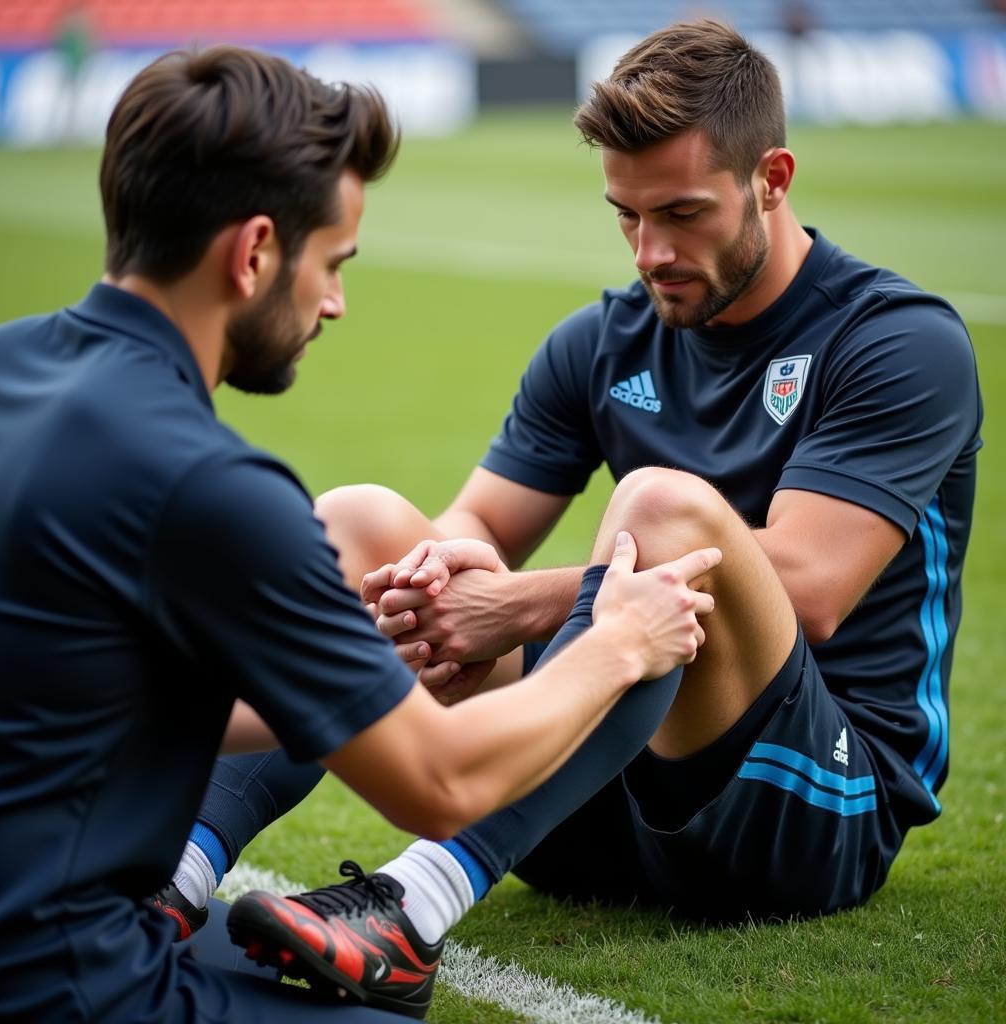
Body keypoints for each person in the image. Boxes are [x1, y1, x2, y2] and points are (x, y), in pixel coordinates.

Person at [176, 17, 980, 1019]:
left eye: (682, 213)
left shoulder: (897, 341)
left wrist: (517, 608)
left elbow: (809, 590)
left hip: (809, 814)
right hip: (595, 804)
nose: (653, 251)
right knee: (363, 526)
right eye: (626, 216)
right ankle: (172, 871)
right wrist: (438, 574)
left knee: (663, 508)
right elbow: (470, 523)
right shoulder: (603, 340)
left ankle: (411, 904)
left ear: (771, 177)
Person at [0, 45, 721, 1024]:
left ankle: (185, 876)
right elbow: (440, 781)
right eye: (331, 264)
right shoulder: (214, 485)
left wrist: (345, 671)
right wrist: (620, 643)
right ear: (252, 255)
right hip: (59, 987)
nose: (334, 302)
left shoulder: (0, 368)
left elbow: (82, 682)